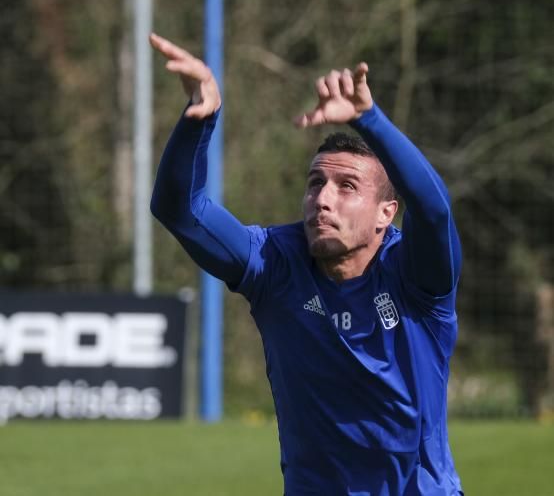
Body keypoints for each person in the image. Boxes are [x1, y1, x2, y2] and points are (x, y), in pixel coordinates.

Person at [149, 32, 464, 496]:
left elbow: (435, 211)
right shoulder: (276, 265)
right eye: (316, 182)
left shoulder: (415, 278)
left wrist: (368, 120)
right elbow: (181, 211)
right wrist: (201, 117)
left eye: (347, 186)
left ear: (386, 214)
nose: (323, 199)